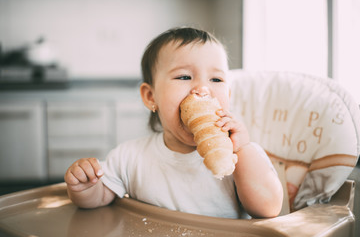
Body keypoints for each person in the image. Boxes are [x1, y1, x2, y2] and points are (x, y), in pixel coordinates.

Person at [64, 27, 283, 218]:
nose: (203, 89)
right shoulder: (130, 157)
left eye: (216, 79)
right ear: (151, 97)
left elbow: (268, 209)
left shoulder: (241, 158)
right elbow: (99, 198)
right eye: (184, 77)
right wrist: (85, 187)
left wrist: (243, 151)